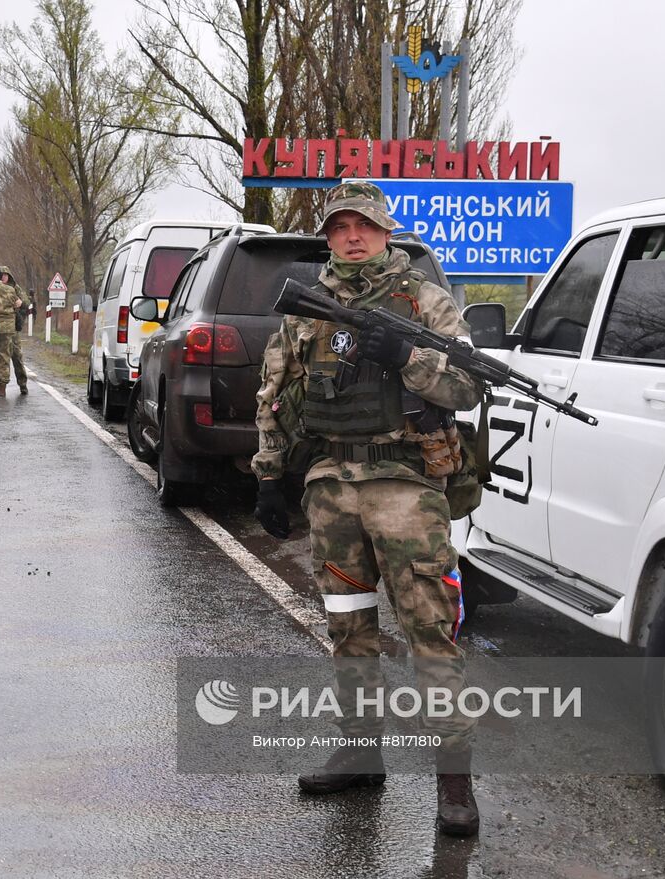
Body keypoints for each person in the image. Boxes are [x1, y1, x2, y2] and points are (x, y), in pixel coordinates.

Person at [250, 181, 483, 836]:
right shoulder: (308, 308)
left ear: (386, 231)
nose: (353, 235)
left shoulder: (426, 300)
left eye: (366, 224)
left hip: (406, 484)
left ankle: (454, 781)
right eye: (341, 225)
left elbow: (466, 384)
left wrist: (410, 357)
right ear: (329, 236)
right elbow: (276, 392)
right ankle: (360, 749)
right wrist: (268, 473)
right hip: (331, 484)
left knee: (429, 629)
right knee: (349, 625)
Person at [0, 266, 27, 396]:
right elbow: (20, 304)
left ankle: (12, 385)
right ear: (1, 277)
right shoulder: (11, 290)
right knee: (3, 356)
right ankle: (2, 387)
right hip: (8, 328)